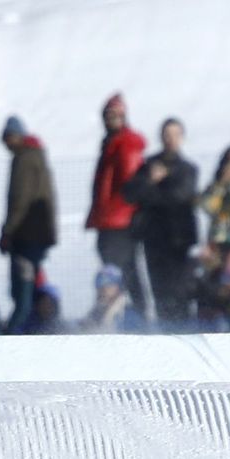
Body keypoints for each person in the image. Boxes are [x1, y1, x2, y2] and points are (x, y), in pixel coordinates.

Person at [122, 118, 199, 326]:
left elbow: (178, 197)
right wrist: (151, 180)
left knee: (180, 288)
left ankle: (184, 329)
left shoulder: (188, 169)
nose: (171, 139)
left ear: (182, 137)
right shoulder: (148, 166)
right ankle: (165, 330)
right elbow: (129, 193)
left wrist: (151, 192)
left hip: (179, 239)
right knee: (159, 288)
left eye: (175, 134)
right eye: (167, 134)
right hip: (153, 238)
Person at [85, 93, 145, 312]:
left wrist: (124, 207)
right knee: (122, 271)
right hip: (110, 218)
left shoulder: (125, 144)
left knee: (117, 272)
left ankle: (118, 312)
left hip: (119, 220)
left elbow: (131, 181)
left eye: (115, 115)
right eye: (107, 116)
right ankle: (129, 312)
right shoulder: (111, 143)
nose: (110, 120)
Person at [0, 116, 58, 334]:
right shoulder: (37, 156)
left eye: (8, 138)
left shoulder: (24, 159)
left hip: (25, 237)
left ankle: (13, 336)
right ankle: (32, 331)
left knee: (22, 293)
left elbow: (20, 200)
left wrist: (8, 231)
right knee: (30, 288)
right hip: (38, 236)